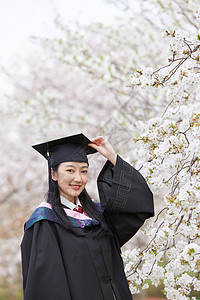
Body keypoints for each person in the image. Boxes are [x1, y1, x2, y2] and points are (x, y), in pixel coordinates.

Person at [21, 133, 154, 300]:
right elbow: (47, 287)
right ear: (53, 174)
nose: (78, 178)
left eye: (84, 171)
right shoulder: (45, 223)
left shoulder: (98, 215)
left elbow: (137, 208)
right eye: (70, 170)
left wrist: (112, 157)